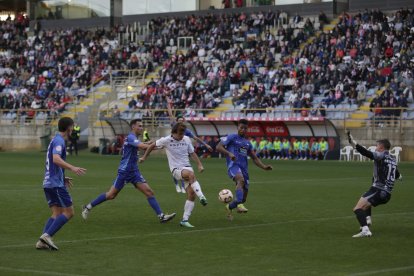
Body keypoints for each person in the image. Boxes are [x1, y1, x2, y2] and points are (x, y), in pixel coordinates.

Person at [81, 119, 176, 224]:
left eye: (141, 125)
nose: (141, 128)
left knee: (149, 192)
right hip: (125, 172)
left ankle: (161, 216)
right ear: (133, 127)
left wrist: (152, 144)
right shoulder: (131, 137)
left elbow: (141, 144)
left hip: (134, 171)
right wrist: (159, 145)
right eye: (139, 126)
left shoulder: (133, 138)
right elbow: (143, 147)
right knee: (111, 195)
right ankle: (88, 207)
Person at [140, 123, 207, 228]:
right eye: (180, 133)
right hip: (176, 169)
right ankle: (202, 196)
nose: (182, 135)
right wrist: (144, 157)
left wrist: (199, 165)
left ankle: (184, 220)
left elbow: (192, 153)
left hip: (187, 167)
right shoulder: (166, 140)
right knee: (191, 175)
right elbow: (152, 146)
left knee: (191, 194)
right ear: (173, 133)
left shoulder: (186, 139)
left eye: (183, 133)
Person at [36, 117, 87, 250]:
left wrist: (63, 177)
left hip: (49, 182)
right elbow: (56, 159)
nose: (73, 130)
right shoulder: (59, 141)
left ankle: (41, 241)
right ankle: (47, 236)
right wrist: (73, 168)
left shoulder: (55, 139)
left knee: (57, 213)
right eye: (73, 127)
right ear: (69, 128)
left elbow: (54, 163)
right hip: (54, 184)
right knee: (69, 212)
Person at [347, 132, 402, 238]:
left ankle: (365, 230)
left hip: (378, 190)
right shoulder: (393, 159)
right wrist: (400, 177)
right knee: (365, 199)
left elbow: (367, 153)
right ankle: (367, 219)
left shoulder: (380, 155)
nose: (376, 148)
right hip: (387, 194)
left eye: (377, 146)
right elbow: (396, 174)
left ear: (381, 147)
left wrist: (354, 143)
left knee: (357, 208)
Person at [216, 119, 273, 220]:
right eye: (241, 127)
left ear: (247, 130)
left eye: (245, 128)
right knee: (240, 180)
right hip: (233, 166)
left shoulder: (247, 143)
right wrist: (229, 154)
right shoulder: (232, 137)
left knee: (243, 198)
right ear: (238, 127)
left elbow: (254, 158)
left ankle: (230, 207)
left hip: (244, 169)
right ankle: (239, 204)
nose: (243, 130)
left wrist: (264, 167)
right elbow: (218, 147)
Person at [167, 97, 212, 193]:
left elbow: (196, 138)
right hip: (173, 150)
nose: (180, 122)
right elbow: (170, 114)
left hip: (183, 152)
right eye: (178, 120)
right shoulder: (174, 125)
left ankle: (183, 186)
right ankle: (176, 186)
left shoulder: (186, 131)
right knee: (175, 170)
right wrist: (169, 104)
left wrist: (206, 145)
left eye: (181, 120)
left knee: (184, 169)